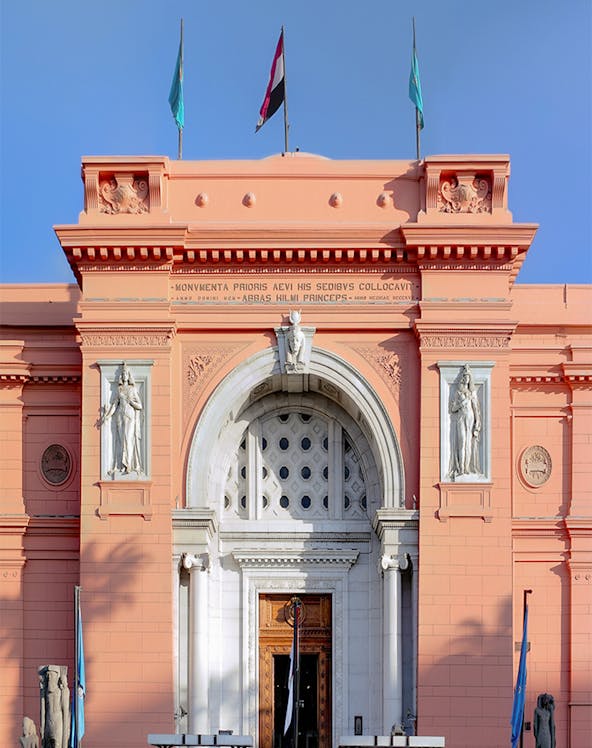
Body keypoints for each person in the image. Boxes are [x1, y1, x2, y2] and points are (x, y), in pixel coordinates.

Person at [102, 363, 143, 474]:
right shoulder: (119, 389)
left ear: (129, 376)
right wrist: (107, 416)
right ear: (121, 376)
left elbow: (140, 406)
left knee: (128, 439)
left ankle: (128, 464)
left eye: (126, 373)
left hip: (130, 416)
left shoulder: (133, 389)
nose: (124, 375)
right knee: (120, 441)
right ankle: (121, 466)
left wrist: (131, 402)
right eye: (123, 373)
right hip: (120, 416)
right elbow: (115, 405)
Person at [448, 364, 481, 479]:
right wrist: (461, 404)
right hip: (461, 417)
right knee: (462, 442)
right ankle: (460, 468)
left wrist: (477, 422)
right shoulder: (458, 393)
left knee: (468, 443)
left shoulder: (472, 393)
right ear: (463, 378)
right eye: (465, 376)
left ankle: (466, 468)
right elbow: (452, 409)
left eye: (468, 377)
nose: (466, 378)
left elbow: (476, 408)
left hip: (470, 417)